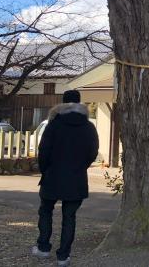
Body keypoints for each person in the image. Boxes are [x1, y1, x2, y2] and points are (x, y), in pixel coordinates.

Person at [32, 90, 99, 266]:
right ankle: (63, 256)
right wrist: (80, 166)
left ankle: (43, 247)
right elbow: (92, 152)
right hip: (76, 177)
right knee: (69, 217)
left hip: (53, 175)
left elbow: (43, 151)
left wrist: (45, 169)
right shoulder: (89, 127)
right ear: (80, 104)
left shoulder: (54, 125)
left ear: (62, 104)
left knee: (45, 210)